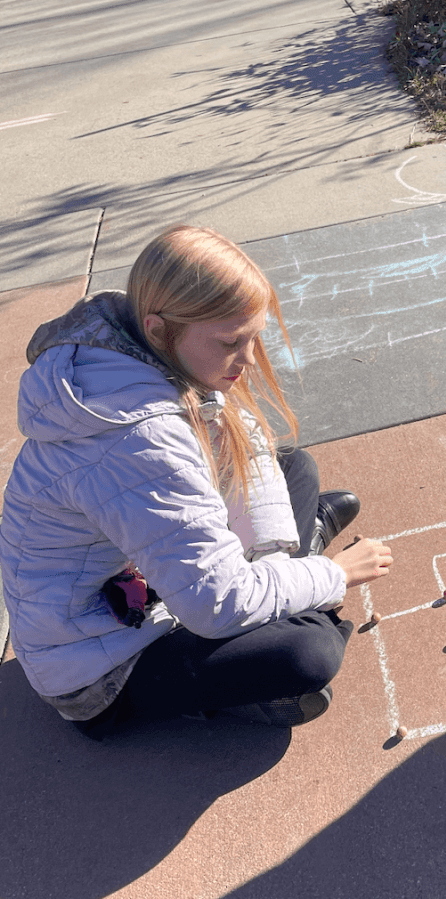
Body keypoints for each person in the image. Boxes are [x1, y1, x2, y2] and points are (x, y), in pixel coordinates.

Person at [0, 224, 393, 736]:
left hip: (147, 575)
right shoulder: (135, 438)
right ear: (160, 328)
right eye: (233, 341)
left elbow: (239, 437)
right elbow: (216, 605)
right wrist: (332, 576)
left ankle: (285, 583)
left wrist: (273, 559)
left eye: (254, 338)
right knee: (307, 653)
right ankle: (285, 620)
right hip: (95, 667)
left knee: (292, 465)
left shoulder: (138, 353)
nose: (249, 359)